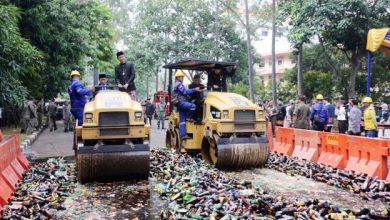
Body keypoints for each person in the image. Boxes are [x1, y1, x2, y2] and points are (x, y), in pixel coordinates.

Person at [172, 70, 201, 140]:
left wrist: (188, 96)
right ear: (178, 77)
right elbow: (185, 91)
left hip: (179, 103)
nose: (183, 78)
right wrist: (195, 89)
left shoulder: (176, 84)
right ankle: (190, 117)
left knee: (182, 121)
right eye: (181, 77)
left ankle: (183, 135)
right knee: (193, 106)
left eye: (182, 77)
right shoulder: (178, 84)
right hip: (181, 102)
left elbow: (183, 93)